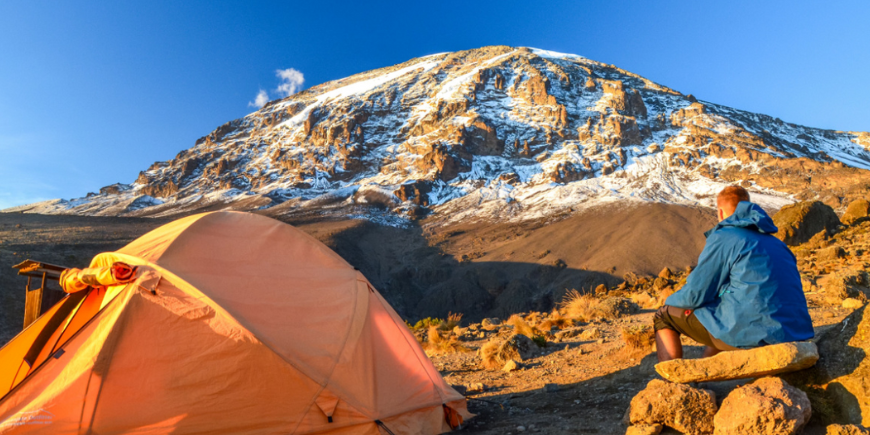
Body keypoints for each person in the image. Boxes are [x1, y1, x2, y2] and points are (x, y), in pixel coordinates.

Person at [653, 185, 813, 362]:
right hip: (795, 332)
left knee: (663, 316)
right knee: (719, 310)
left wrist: (669, 303)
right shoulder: (777, 243)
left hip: (754, 334)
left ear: (720, 213)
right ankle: (709, 367)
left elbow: (695, 295)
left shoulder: (725, 237)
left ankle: (672, 382)